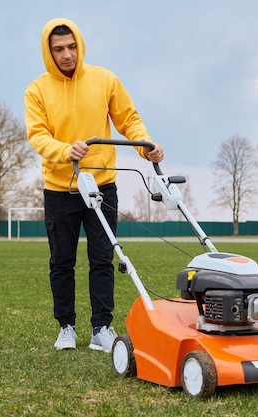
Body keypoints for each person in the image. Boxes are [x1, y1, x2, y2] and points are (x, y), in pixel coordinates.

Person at [24, 18, 164, 352]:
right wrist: (64, 150)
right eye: (59, 49)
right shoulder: (37, 90)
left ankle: (102, 327)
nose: (67, 55)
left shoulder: (105, 80)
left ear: (80, 46)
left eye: (71, 47)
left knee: (103, 257)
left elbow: (128, 118)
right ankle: (66, 327)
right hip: (60, 188)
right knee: (62, 261)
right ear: (49, 52)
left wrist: (144, 143)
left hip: (102, 185)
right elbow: (38, 135)